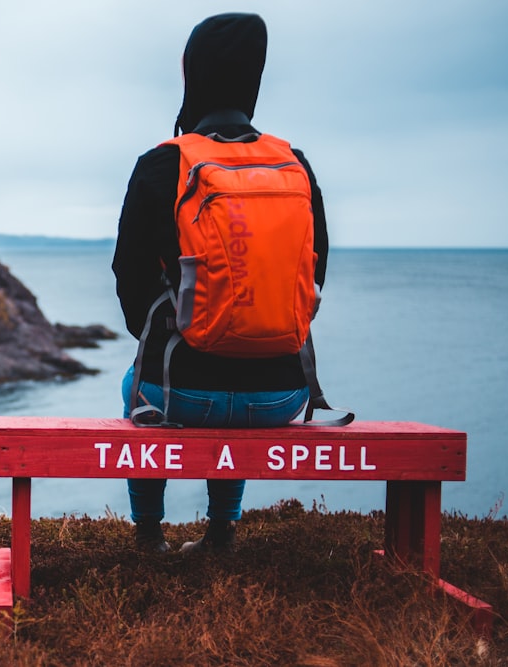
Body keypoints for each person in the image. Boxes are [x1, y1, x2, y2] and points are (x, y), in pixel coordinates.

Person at [111, 12, 330, 554]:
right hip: (283, 392)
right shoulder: (293, 165)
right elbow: (315, 274)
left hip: (179, 390)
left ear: (193, 77)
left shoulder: (163, 164)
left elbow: (128, 275)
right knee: (242, 385)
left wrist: (171, 334)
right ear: (253, 78)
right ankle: (221, 532)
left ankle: (148, 536)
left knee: (135, 387)